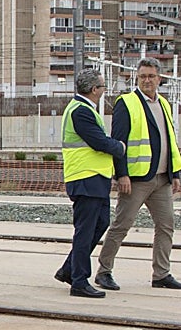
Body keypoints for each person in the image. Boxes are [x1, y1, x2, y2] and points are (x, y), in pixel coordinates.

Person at [96, 57, 181, 291]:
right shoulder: (126, 103)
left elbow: (170, 140)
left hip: (162, 178)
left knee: (166, 225)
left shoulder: (164, 104)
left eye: (151, 76)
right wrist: (122, 174)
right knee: (121, 225)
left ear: (159, 78)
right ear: (136, 78)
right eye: (143, 76)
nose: (147, 80)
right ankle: (103, 271)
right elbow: (119, 141)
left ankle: (161, 274)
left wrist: (174, 172)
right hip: (136, 179)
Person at [54, 68, 127, 298]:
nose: (104, 91)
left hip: (95, 178)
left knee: (100, 223)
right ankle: (79, 281)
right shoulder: (80, 111)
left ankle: (69, 269)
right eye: (103, 87)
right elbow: (99, 142)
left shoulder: (85, 109)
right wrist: (120, 147)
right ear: (94, 89)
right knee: (85, 231)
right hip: (85, 177)